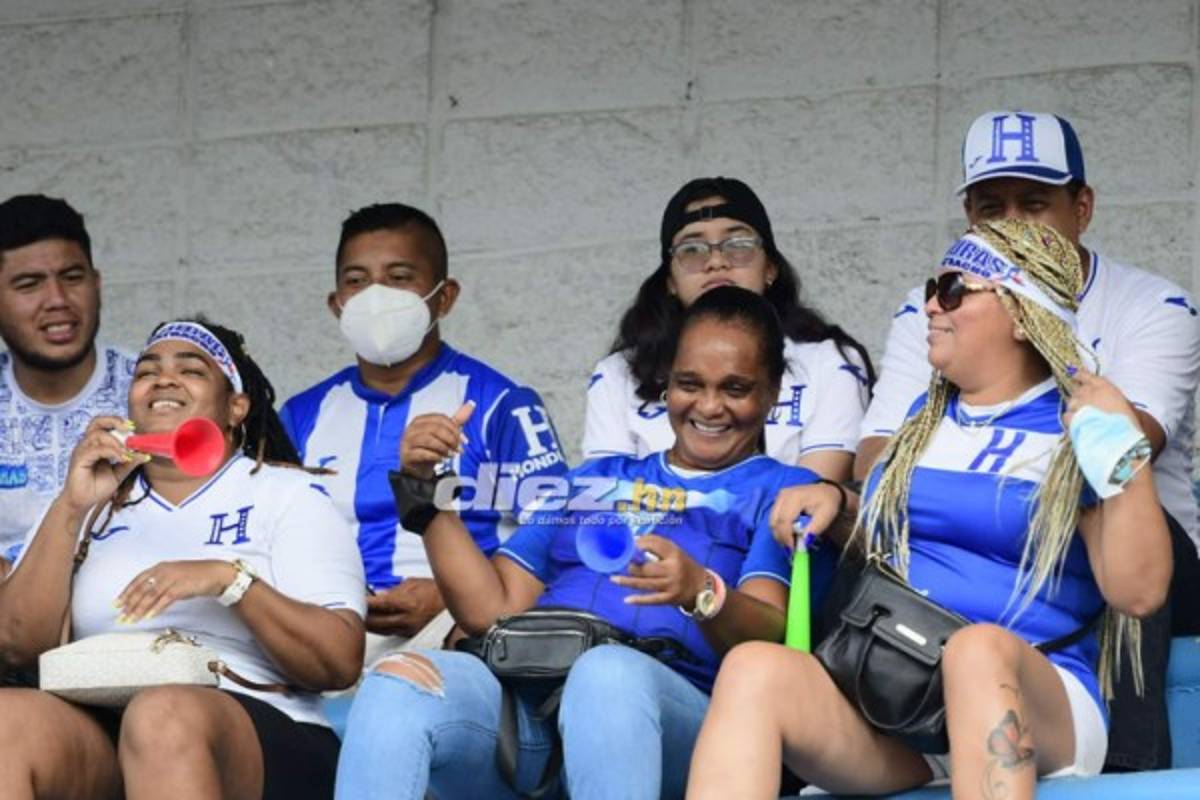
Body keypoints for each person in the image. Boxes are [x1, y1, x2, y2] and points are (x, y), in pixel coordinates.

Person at [686, 220, 1172, 800]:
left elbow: (1138, 593)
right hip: (899, 696)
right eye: (929, 289)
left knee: (976, 649)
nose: (931, 308)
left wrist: (1121, 446)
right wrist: (839, 505)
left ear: (1021, 313)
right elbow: (886, 540)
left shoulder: (1078, 425)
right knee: (754, 670)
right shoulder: (924, 421)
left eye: (953, 290)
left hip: (1035, 699)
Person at [334, 286, 835, 800]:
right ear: (667, 384)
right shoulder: (594, 478)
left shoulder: (782, 491)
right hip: (535, 710)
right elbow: (492, 608)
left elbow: (773, 638)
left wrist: (699, 590)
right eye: (690, 383)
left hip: (690, 732)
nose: (708, 406)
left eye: (735, 388)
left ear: (772, 393)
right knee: (399, 681)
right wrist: (424, 488)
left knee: (606, 675)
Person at [855, 110, 1200, 772]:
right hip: (986, 553)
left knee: (1102, 494)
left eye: (1034, 203)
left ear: (1083, 207)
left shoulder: (1153, 302)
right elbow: (877, 457)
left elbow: (1132, 445)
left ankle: (1130, 765)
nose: (1011, 221)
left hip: (1125, 550)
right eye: (991, 206)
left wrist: (1066, 406)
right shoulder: (933, 305)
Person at [0, 318, 366, 800]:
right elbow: (15, 645)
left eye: (191, 369)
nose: (164, 379)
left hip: (261, 725)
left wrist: (231, 582)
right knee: (8, 720)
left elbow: (338, 662)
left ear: (236, 406)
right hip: (107, 720)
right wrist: (70, 507)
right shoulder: (88, 503)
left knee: (161, 715)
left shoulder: (288, 494)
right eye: (146, 371)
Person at [281, 203, 568, 658]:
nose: (375, 296)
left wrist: (449, 596)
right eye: (356, 281)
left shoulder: (500, 405)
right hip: (325, 639)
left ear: (444, 296)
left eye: (398, 277)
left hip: (457, 635)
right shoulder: (300, 416)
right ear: (336, 304)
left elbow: (555, 532)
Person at [584, 176, 873, 481]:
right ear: (669, 280)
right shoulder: (618, 373)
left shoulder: (828, 361)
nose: (717, 261)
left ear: (771, 268)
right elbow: (604, 496)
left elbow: (815, 498)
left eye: (738, 245)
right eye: (692, 249)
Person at [0, 194, 135, 572]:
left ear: (97, 284)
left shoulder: (152, 391)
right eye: (29, 284)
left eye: (72, 278)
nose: (57, 300)